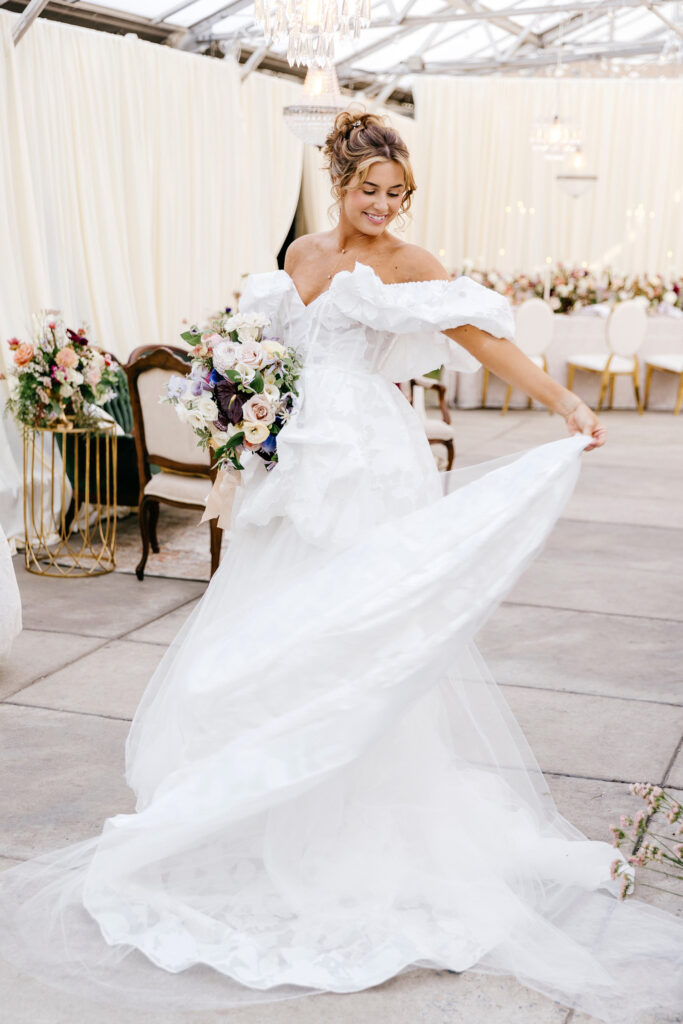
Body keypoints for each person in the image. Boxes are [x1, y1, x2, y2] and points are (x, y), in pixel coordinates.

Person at [0, 111, 680, 1023]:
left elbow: (482, 340)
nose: (386, 209)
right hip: (296, 471)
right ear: (339, 184)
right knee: (279, 632)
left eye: (400, 195)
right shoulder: (298, 262)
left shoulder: (412, 265)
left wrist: (561, 398)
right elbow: (265, 356)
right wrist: (239, 412)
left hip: (369, 466)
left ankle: (366, 821)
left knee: (364, 633)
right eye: (372, 192)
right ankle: (268, 808)